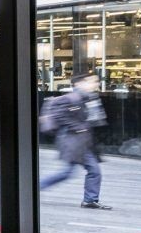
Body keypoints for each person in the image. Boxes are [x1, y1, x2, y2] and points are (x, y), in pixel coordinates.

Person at [40, 73, 109, 209]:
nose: (95, 84)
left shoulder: (89, 98)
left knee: (94, 171)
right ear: (78, 84)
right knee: (67, 172)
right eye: (91, 82)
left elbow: (94, 119)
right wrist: (78, 128)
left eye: (95, 82)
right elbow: (59, 115)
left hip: (83, 142)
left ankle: (90, 200)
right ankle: (35, 187)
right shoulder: (69, 98)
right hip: (72, 141)